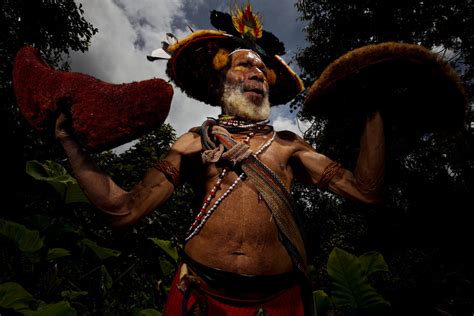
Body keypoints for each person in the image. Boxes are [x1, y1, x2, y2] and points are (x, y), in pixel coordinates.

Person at [55, 5, 385, 316]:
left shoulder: (288, 146)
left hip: (279, 302)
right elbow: (123, 211)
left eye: (262, 69)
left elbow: (365, 192)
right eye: (245, 65)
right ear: (219, 80)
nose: (258, 75)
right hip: (199, 296)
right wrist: (70, 143)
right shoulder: (193, 143)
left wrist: (373, 111)